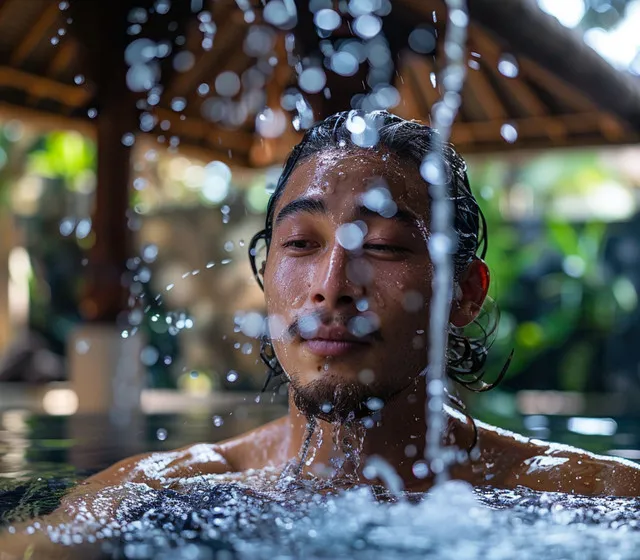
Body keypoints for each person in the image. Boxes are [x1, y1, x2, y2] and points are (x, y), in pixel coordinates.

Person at [80, 110, 638, 500]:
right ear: (264, 272)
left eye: (384, 246)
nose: (332, 284)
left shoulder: (586, 493)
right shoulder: (149, 489)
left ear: (464, 294)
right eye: (300, 242)